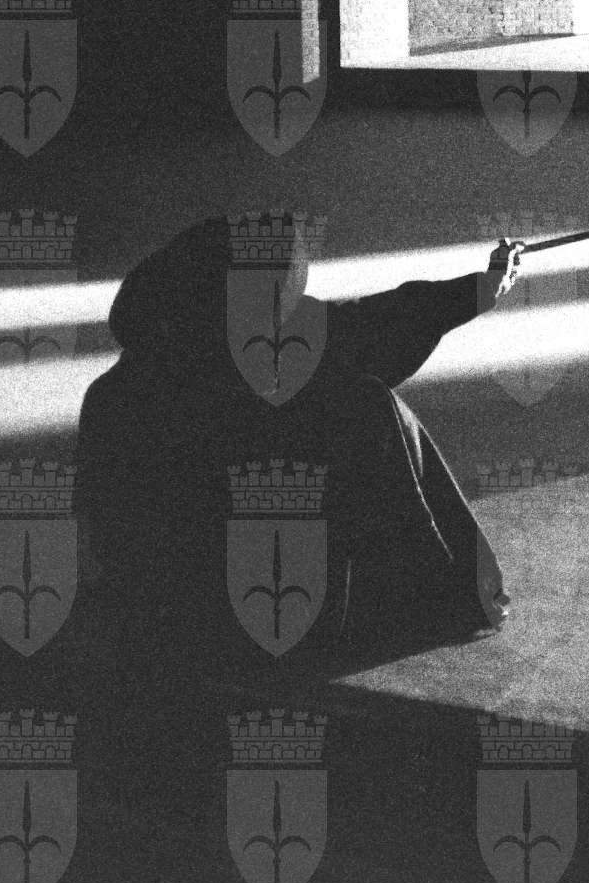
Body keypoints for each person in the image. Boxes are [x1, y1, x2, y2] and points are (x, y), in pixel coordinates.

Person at [75, 217, 525, 676]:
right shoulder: (273, 358)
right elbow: (376, 322)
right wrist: (486, 285)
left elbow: (108, 538)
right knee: (366, 406)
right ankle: (425, 593)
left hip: (159, 622)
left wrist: (482, 285)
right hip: (257, 621)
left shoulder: (113, 393)